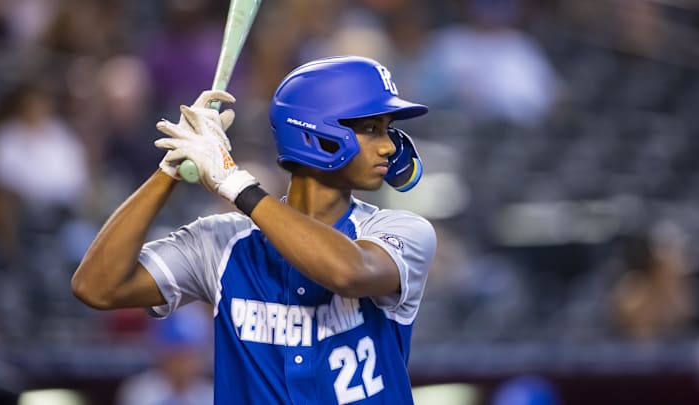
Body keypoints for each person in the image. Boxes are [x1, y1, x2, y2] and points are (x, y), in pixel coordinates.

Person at [72, 55, 437, 404]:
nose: (389, 146)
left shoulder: (400, 230)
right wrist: (171, 165)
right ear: (317, 134)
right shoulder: (221, 243)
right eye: (371, 129)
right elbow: (97, 287)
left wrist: (234, 182)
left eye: (388, 130)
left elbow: (349, 272)